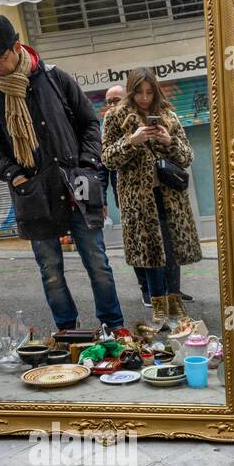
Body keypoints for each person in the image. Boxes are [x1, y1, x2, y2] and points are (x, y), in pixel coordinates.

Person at [0, 14, 124, 336]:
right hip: (33, 192)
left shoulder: (54, 78)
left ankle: (114, 326)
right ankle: (67, 332)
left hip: (76, 183)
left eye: (0, 57)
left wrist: (88, 162)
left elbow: (89, 123)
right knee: (51, 270)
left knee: (98, 262)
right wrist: (13, 174)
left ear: (16, 47)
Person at [100, 68, 202, 329]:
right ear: (131, 92)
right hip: (137, 198)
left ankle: (175, 304)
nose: (145, 98)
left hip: (170, 196)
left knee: (172, 250)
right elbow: (107, 159)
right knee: (150, 252)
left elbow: (187, 156)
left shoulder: (169, 116)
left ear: (155, 91)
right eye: (139, 93)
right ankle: (158, 307)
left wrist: (169, 141)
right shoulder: (116, 116)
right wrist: (131, 141)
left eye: (149, 92)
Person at [101, 82, 150, 308]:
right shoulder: (108, 128)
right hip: (126, 197)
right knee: (136, 243)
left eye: (116, 100)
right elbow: (103, 167)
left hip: (150, 192)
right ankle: (146, 288)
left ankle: (171, 289)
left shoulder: (139, 118)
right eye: (108, 101)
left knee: (161, 241)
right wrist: (102, 201)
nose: (112, 105)